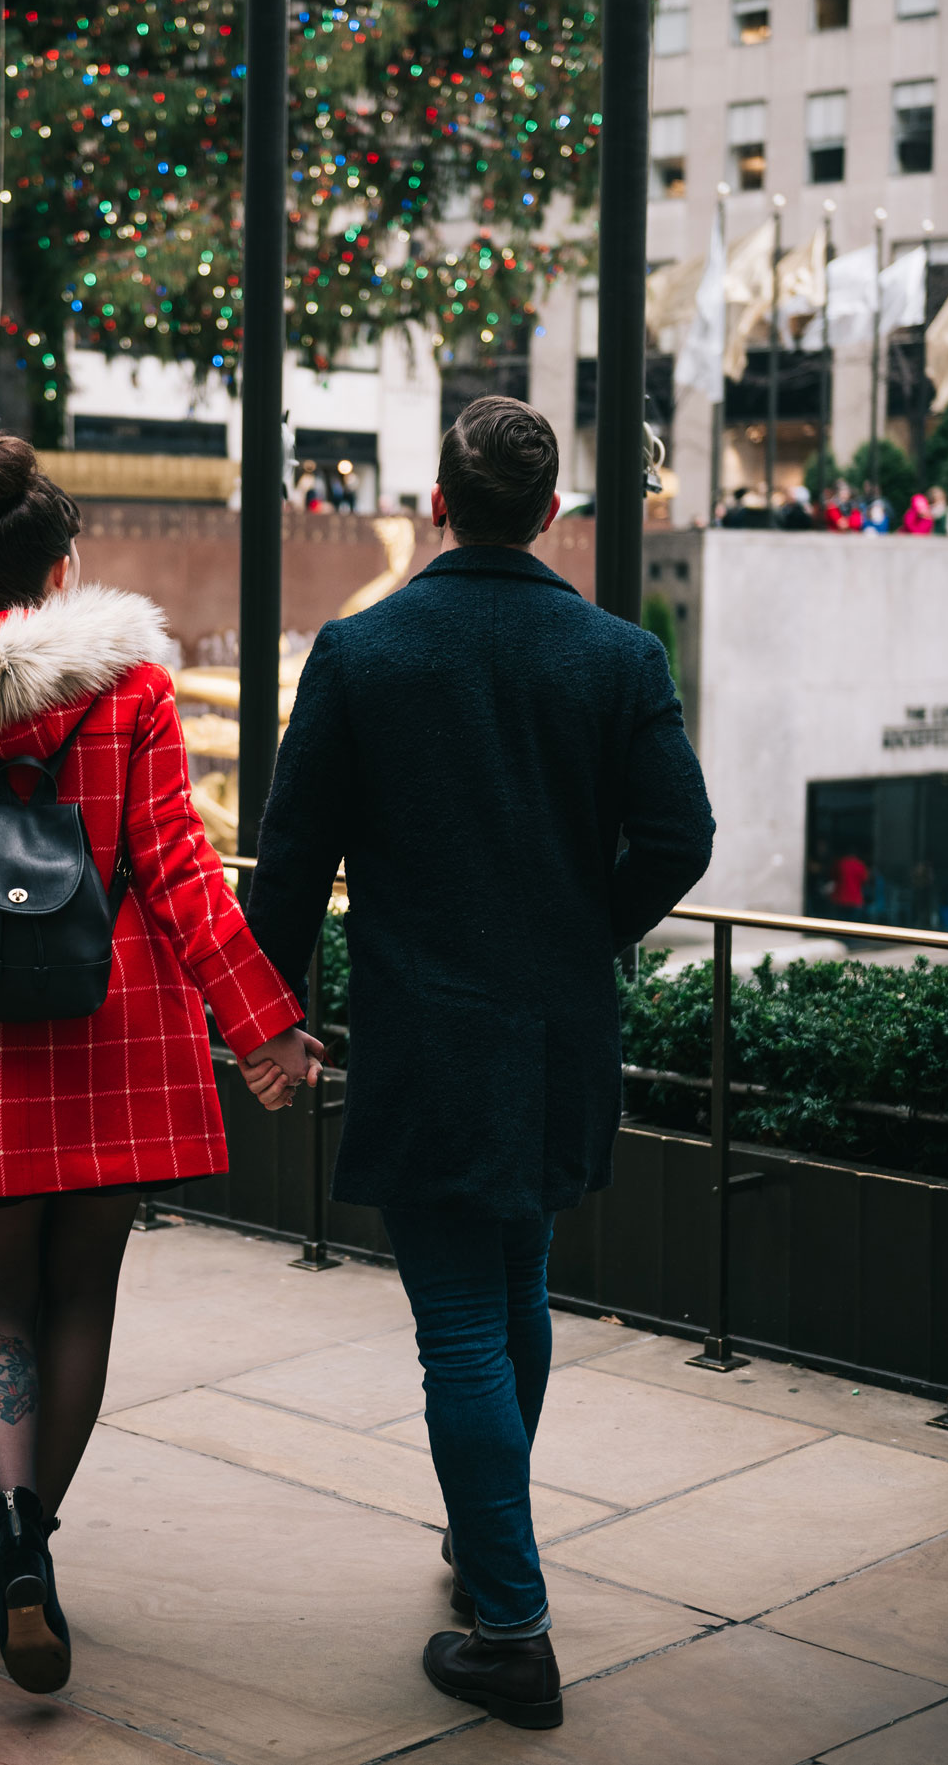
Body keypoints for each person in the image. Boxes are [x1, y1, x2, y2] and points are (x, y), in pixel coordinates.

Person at [241, 396, 714, 1731]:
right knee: (519, 1294)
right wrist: (585, 937)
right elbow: (680, 836)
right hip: (560, 1035)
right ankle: (485, 1538)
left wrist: (271, 1015)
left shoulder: (362, 652)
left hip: (425, 1036)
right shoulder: (616, 655)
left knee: (463, 1321)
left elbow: (290, 869)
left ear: (440, 503)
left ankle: (511, 1623)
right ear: (552, 511)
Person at [0, 432, 315, 1696]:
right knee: (82, 1304)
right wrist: (260, 1027)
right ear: (62, 568)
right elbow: (177, 877)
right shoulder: (134, 693)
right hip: (109, 1025)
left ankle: (9, 1545)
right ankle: (34, 1550)